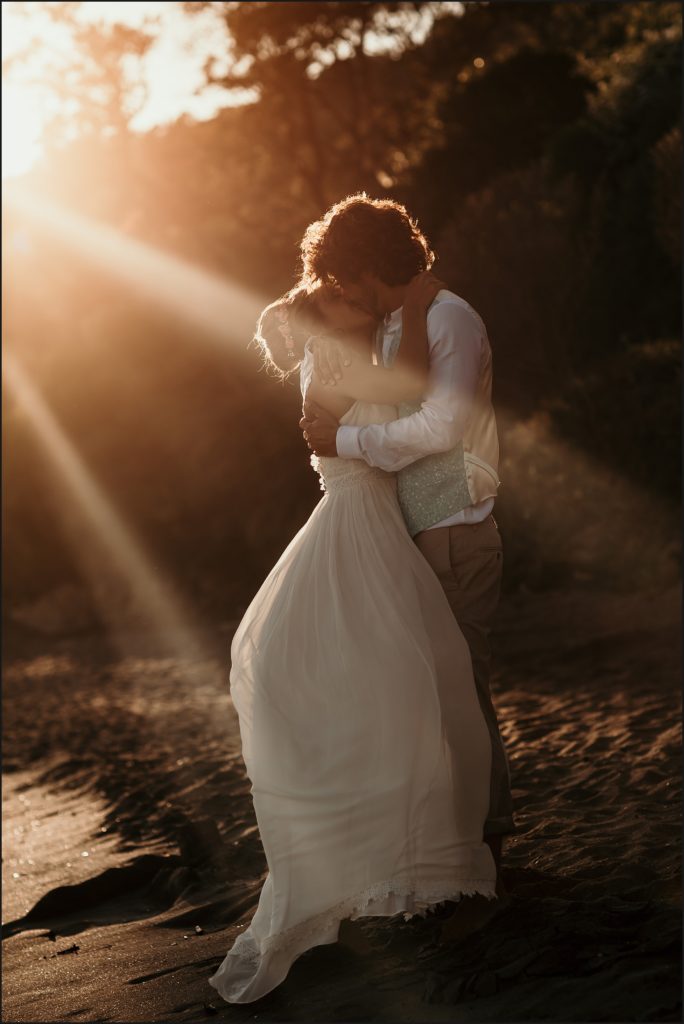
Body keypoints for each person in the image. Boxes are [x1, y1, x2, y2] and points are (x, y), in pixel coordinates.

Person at [208, 273, 497, 1005]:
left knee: (416, 679)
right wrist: (406, 305)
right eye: (341, 298)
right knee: (408, 679)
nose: (356, 303)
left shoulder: (334, 357)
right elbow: (414, 383)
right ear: (324, 312)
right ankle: (416, 853)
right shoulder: (332, 363)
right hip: (359, 522)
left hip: (376, 521)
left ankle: (433, 850)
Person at [298, 195, 515, 938]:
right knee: (426, 694)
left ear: (365, 268)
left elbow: (441, 425)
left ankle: (487, 843)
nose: (338, 290)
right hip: (408, 535)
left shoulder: (447, 316)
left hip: (454, 526)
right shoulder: (392, 324)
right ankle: (458, 844)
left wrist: (346, 443)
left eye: (341, 275)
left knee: (462, 692)